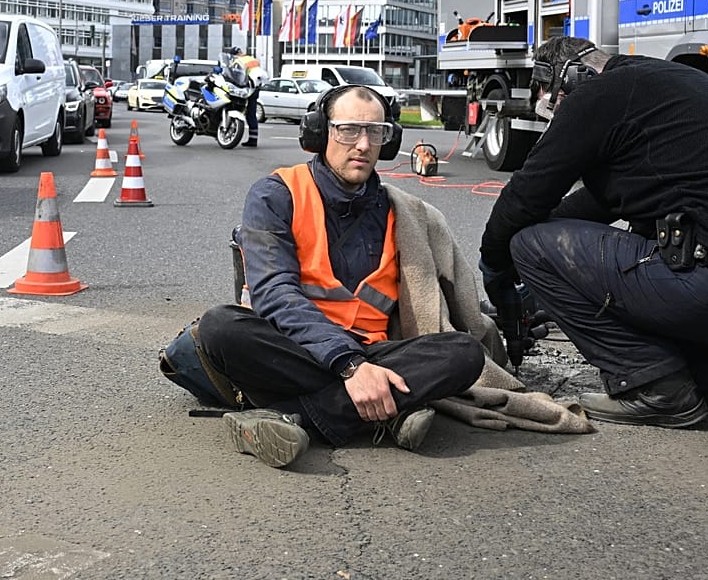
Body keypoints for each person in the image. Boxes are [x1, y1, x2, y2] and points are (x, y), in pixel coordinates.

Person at [478, 36, 708, 443]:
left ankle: (652, 388)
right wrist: (547, 290)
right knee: (675, 355)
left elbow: (526, 197)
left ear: (570, 77)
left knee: (526, 245)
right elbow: (595, 205)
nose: (559, 118)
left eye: (555, 106)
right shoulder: (668, 85)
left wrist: (495, 267)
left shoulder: (595, 93)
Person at [195, 85, 490, 468]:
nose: (363, 144)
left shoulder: (401, 212)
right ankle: (385, 410)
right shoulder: (276, 194)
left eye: (375, 132)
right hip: (295, 346)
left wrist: (362, 363)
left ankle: (291, 418)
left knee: (463, 354)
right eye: (348, 130)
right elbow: (274, 293)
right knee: (220, 326)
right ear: (320, 132)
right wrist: (349, 366)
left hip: (375, 352)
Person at [224, 46, 267, 146]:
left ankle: (228, 128)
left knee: (233, 106)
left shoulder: (237, 61)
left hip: (244, 88)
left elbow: (235, 76)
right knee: (251, 113)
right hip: (255, 88)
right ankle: (253, 139)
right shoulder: (252, 59)